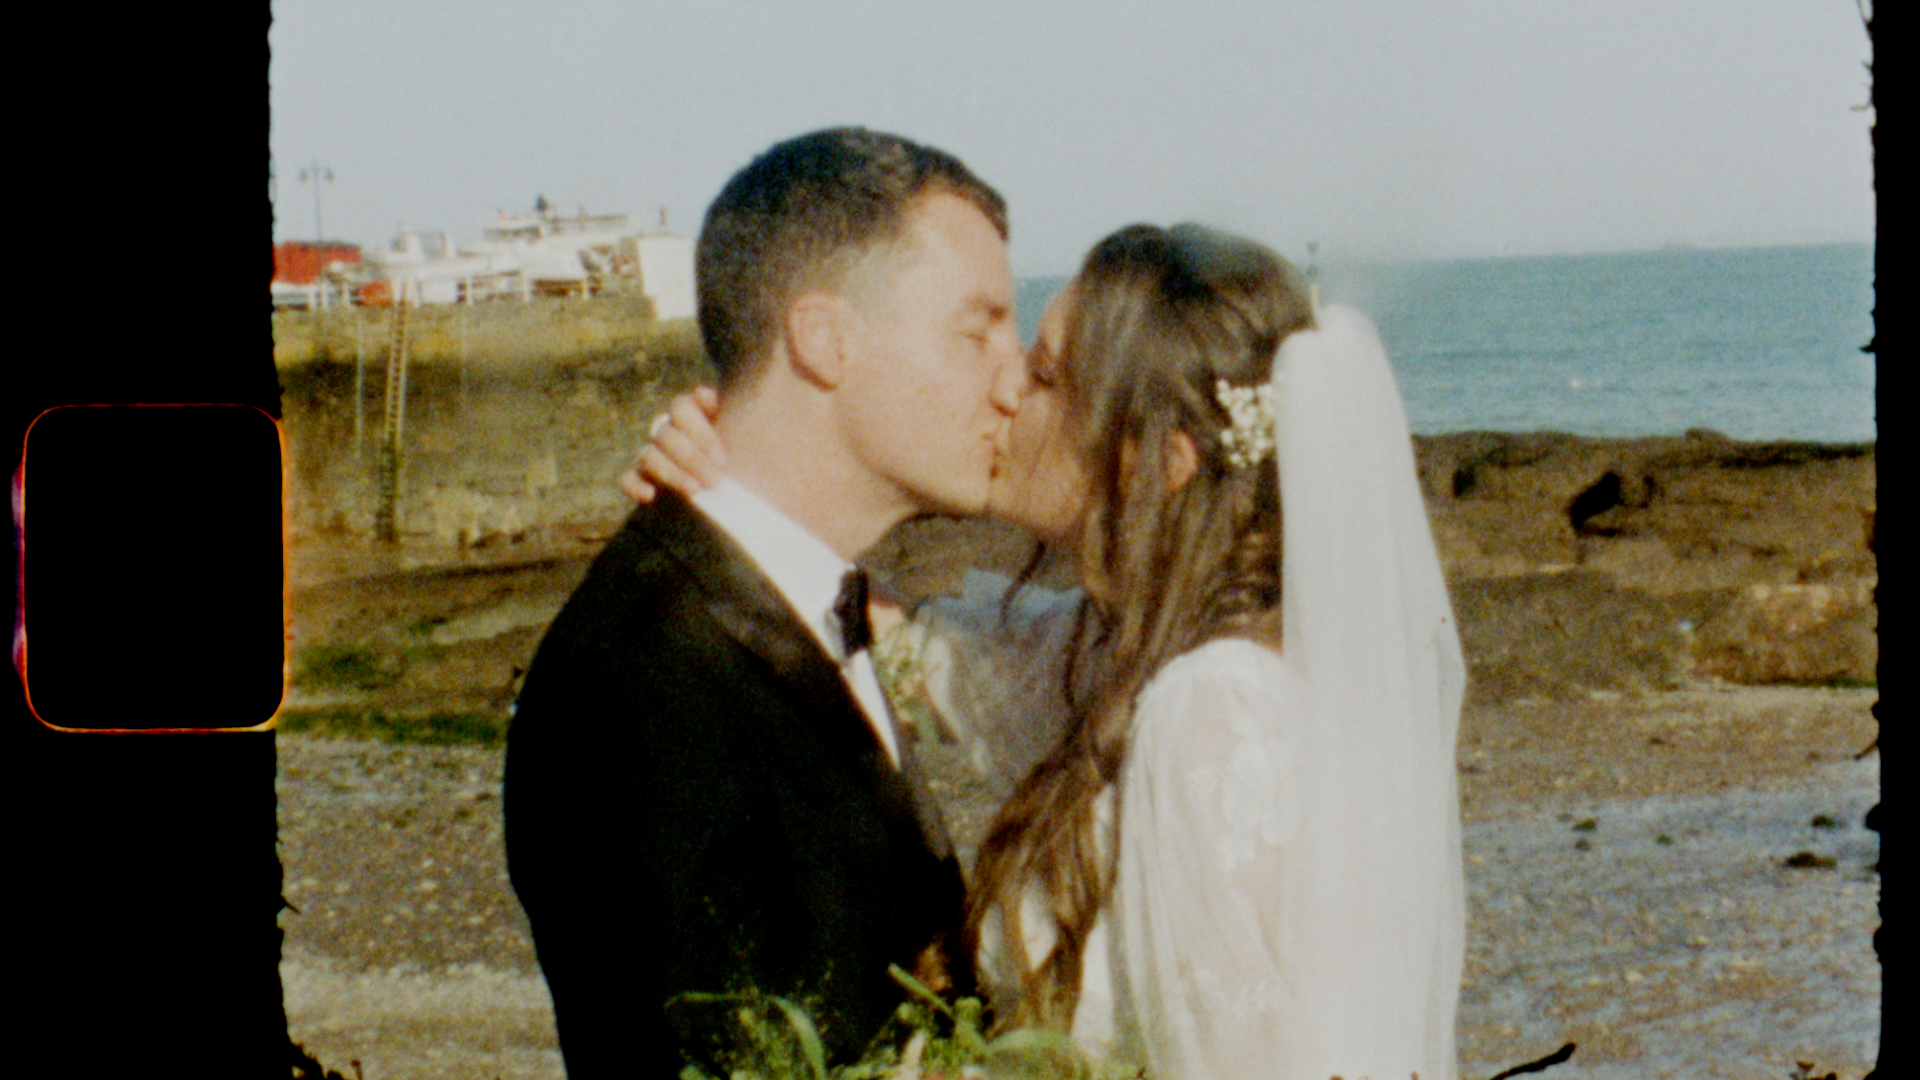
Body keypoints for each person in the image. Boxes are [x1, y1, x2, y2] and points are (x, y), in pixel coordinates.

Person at [636, 223, 1467, 1079]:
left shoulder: (1208, 712)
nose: (1001, 392)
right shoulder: (1102, 649)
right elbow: (890, 637)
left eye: (1042, 375)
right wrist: (730, 477)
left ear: (1155, 460)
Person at [505, 127, 1027, 1077]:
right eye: (979, 329)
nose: (1017, 380)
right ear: (826, 340)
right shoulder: (645, 685)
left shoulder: (813, 605)